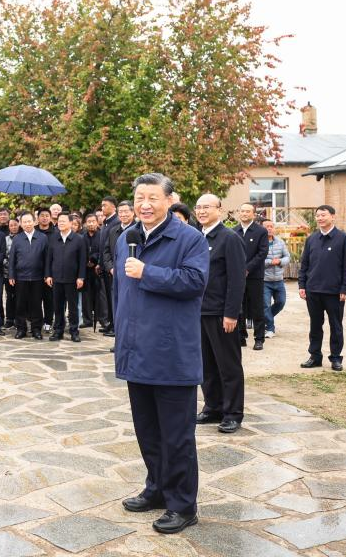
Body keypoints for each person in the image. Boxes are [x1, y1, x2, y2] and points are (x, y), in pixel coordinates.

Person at [115, 173, 208, 535]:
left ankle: (183, 505)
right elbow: (120, 293)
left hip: (172, 354)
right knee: (148, 431)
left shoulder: (189, 239)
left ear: (169, 201)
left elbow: (194, 282)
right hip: (136, 352)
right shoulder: (127, 238)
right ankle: (156, 489)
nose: (145, 204)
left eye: (153, 197)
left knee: (177, 436)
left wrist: (147, 272)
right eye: (140, 197)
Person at [194, 194, 247, 434]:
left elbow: (236, 280)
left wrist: (231, 314)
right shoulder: (196, 237)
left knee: (228, 365)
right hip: (199, 311)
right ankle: (213, 406)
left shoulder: (229, 238)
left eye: (207, 207)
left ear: (220, 210)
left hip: (221, 313)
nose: (202, 211)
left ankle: (233, 412)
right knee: (206, 364)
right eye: (198, 207)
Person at [298, 205, 346, 371]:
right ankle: (315, 356)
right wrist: (302, 285)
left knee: (336, 326)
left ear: (333, 217)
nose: (320, 218)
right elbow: (305, 264)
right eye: (318, 216)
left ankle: (336, 358)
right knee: (315, 326)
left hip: (334, 293)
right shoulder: (312, 239)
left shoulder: (344, 239)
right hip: (313, 291)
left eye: (323, 215)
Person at [46, 211, 86, 342]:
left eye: (64, 221)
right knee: (57, 307)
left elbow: (82, 260)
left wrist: (81, 277)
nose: (61, 223)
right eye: (59, 221)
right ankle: (58, 331)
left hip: (72, 279)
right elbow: (49, 259)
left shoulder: (79, 239)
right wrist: (48, 275)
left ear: (70, 223)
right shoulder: (53, 238)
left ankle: (74, 331)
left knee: (73, 307)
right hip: (56, 278)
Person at [8, 211, 48, 340]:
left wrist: (47, 275)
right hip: (21, 277)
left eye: (29, 221)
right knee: (20, 304)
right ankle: (21, 329)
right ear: (20, 223)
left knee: (36, 304)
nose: (27, 224)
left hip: (38, 276)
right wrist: (11, 275)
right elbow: (12, 259)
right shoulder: (17, 239)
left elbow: (47, 258)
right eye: (24, 222)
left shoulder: (42, 237)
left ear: (34, 222)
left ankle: (36, 329)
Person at [235, 203, 269, 351]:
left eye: (248, 211)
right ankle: (241, 336)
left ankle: (259, 338)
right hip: (236, 276)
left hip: (255, 276)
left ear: (253, 214)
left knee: (257, 307)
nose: (244, 214)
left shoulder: (261, 231)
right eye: (242, 211)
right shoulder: (233, 231)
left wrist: (247, 268)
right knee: (238, 306)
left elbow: (262, 253)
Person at [100, 200, 135, 338]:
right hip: (114, 274)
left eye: (126, 211)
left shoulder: (137, 231)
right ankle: (117, 330)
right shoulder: (113, 230)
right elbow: (106, 251)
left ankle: (126, 334)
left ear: (132, 212)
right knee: (115, 303)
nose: (123, 214)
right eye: (121, 212)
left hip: (132, 276)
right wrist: (110, 268)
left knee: (129, 306)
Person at [262, 220, 290, 339]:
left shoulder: (280, 242)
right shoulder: (260, 242)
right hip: (264, 280)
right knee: (266, 305)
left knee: (281, 302)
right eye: (266, 226)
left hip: (279, 279)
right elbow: (255, 260)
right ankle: (270, 328)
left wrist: (280, 261)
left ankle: (264, 319)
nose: (269, 228)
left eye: (271, 226)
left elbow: (287, 256)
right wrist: (269, 262)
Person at [81, 212, 102, 329]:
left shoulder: (101, 235)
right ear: (85, 224)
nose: (91, 224)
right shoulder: (82, 237)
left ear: (97, 222)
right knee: (86, 296)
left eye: (93, 221)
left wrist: (94, 259)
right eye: (88, 222)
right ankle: (87, 319)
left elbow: (103, 251)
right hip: (85, 269)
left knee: (99, 295)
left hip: (97, 269)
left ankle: (101, 318)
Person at [3, 217, 19, 328]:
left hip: (22, 273)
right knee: (10, 296)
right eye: (11, 225)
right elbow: (3, 255)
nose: (13, 227)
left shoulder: (23, 237)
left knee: (21, 297)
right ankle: (9, 318)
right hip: (7, 272)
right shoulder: (6, 239)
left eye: (15, 225)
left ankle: (19, 318)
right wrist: (8, 263)